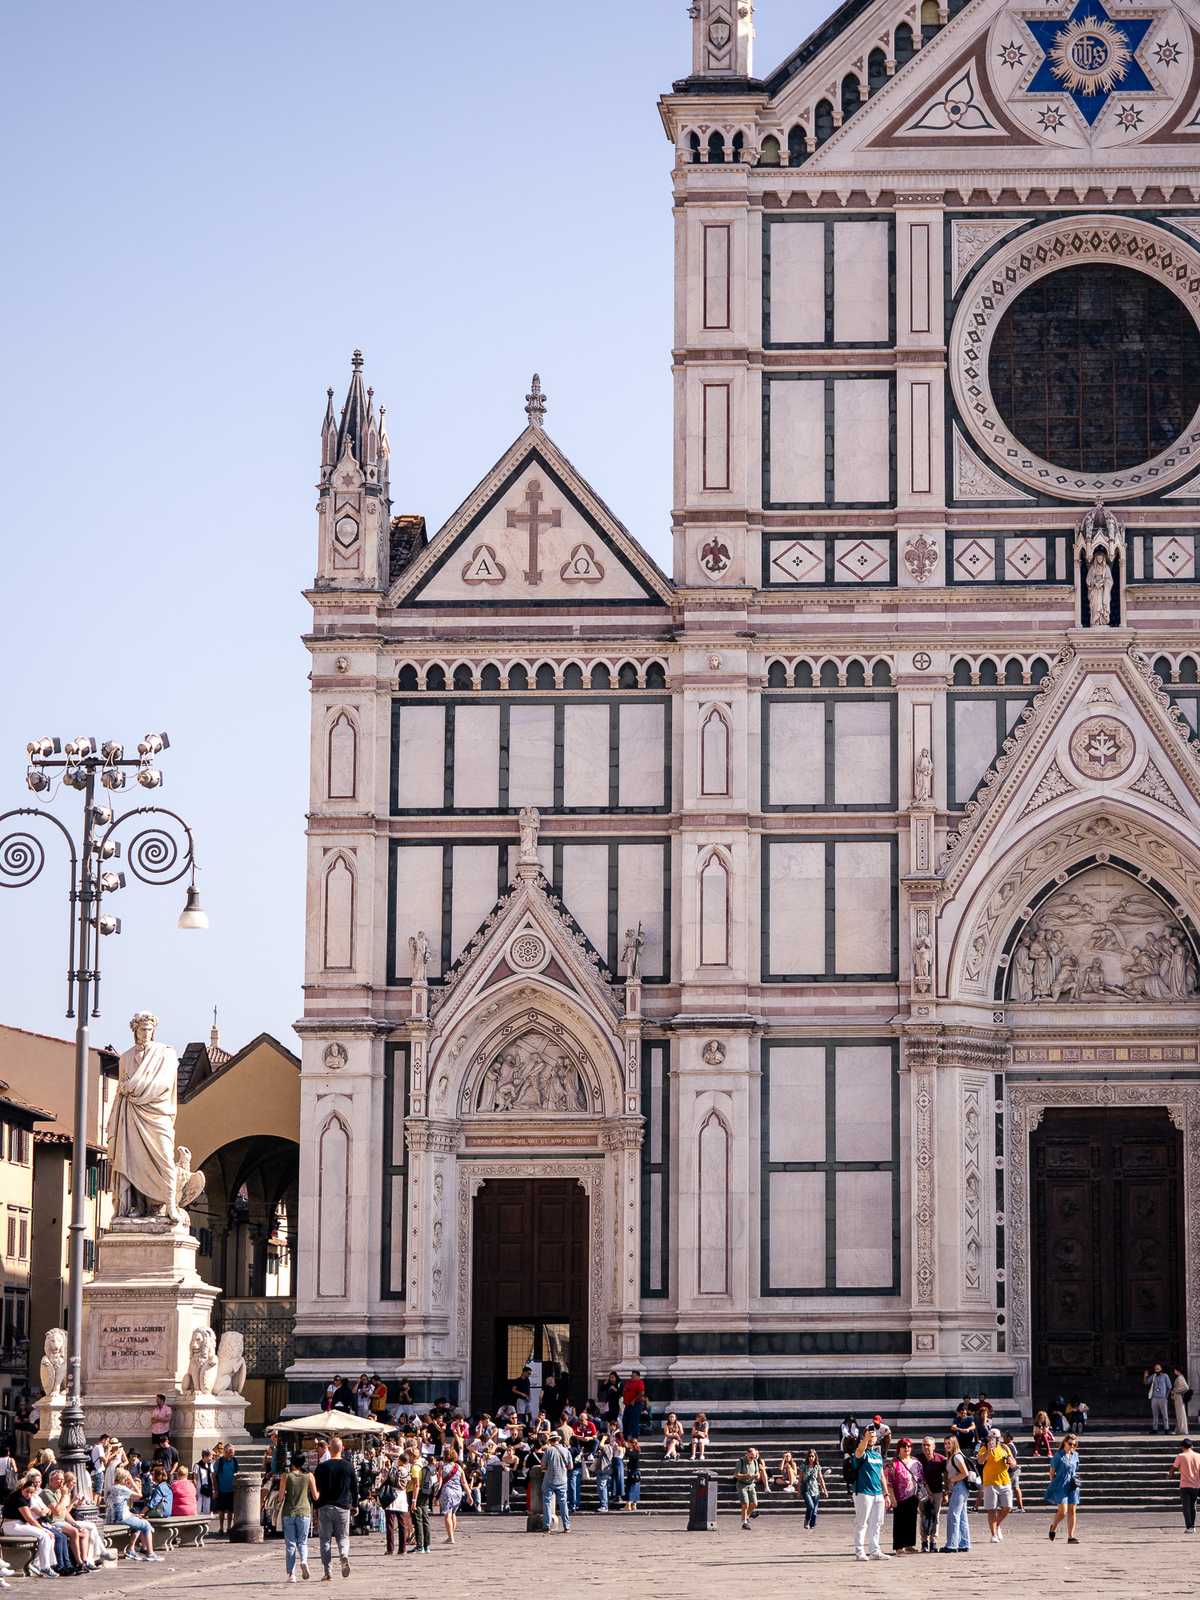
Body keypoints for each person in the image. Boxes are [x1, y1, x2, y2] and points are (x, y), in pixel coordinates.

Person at [313, 1435, 356, 1579]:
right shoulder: (348, 1466)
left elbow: (315, 1490)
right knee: (343, 1537)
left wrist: (315, 1508)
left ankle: (328, 1572)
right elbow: (354, 1488)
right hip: (343, 1506)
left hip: (325, 1507)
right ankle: (343, 1553)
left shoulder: (321, 1467)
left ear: (329, 1449)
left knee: (325, 1540)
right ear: (342, 1449)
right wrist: (354, 1504)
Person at [3, 1471, 57, 1576]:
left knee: (48, 1536)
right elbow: (30, 1519)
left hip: (19, 1525)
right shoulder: (19, 1498)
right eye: (27, 1491)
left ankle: (37, 1564)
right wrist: (45, 1530)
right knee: (44, 1535)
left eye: (31, 1492)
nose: (29, 1495)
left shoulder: (26, 1497)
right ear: (21, 1489)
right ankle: (45, 1567)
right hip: (11, 1525)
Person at [106, 1465, 164, 1562]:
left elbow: (120, 1507)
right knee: (146, 1525)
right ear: (123, 1478)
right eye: (126, 1479)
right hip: (121, 1518)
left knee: (138, 1522)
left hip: (112, 1517)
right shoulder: (121, 1488)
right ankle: (150, 1553)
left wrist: (133, 1515)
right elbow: (139, 1495)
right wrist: (133, 1482)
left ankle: (131, 1549)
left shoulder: (111, 1488)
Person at [851, 1425, 891, 1561]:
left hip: (877, 1493)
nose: (872, 1438)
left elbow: (881, 1476)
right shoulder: (861, 1452)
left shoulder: (877, 1455)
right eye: (870, 1436)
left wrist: (886, 1494)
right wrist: (865, 1439)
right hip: (863, 1492)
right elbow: (859, 1451)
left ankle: (875, 1550)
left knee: (876, 1523)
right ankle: (859, 1551)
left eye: (874, 1436)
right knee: (862, 1522)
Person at [280, 1452, 317, 1583]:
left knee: (290, 1544)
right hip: (304, 1512)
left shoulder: (286, 1476)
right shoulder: (309, 1476)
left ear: (292, 1462)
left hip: (289, 1512)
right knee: (303, 1541)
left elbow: (280, 1497)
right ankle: (304, 1561)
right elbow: (315, 1496)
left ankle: (291, 1575)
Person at [884, 1438, 922, 1555]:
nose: (907, 1449)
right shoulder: (894, 1463)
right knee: (899, 1522)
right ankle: (899, 1546)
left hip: (913, 1495)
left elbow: (921, 1478)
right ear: (899, 1449)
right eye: (904, 1446)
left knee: (911, 1521)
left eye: (909, 1446)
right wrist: (892, 1497)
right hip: (899, 1496)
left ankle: (909, 1545)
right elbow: (889, 1482)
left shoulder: (916, 1462)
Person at [978, 1428, 1015, 1542]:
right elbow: (980, 1461)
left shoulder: (1005, 1448)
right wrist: (989, 1451)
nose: (994, 1440)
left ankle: (997, 1525)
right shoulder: (984, 1448)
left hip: (1005, 1481)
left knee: (1008, 1507)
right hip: (990, 1482)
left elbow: (1013, 1463)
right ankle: (994, 1534)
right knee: (992, 1509)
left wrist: (1010, 1462)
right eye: (991, 1438)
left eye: (996, 1438)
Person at [1045, 1432, 1081, 1543]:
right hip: (1060, 1485)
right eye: (1070, 1444)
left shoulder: (1075, 1455)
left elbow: (1075, 1470)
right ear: (1065, 1443)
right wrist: (1053, 1484)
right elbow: (1051, 1473)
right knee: (1063, 1511)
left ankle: (1070, 1536)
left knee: (1072, 1511)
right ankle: (1053, 1526)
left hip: (1072, 1485)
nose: (1072, 1447)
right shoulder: (1058, 1456)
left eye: (1074, 1445)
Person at [942, 1430, 971, 1553]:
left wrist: (952, 1479)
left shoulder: (957, 1456)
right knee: (962, 1516)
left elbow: (965, 1473)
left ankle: (952, 1544)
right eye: (945, 1443)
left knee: (953, 1515)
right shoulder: (954, 1456)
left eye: (949, 1443)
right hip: (960, 1488)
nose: (947, 1446)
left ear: (954, 1444)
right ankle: (964, 1542)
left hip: (959, 1487)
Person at [917, 1437, 945, 1552]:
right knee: (923, 1516)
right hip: (923, 1493)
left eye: (928, 1445)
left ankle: (933, 1541)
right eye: (924, 1445)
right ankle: (924, 1542)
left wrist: (947, 1491)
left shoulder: (941, 1459)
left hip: (937, 1491)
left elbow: (947, 1476)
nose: (926, 1447)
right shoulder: (917, 1459)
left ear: (934, 1446)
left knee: (935, 1516)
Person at [540, 1432, 571, 1533]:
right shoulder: (566, 1451)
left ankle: (547, 1525)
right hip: (562, 1479)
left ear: (551, 1441)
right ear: (558, 1440)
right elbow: (570, 1466)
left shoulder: (548, 1450)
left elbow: (543, 1466)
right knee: (563, 1502)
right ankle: (567, 1526)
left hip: (549, 1479)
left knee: (547, 1502)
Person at [1171, 1435, 1200, 1533]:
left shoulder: (1181, 1456)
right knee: (1193, 1506)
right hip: (1196, 1485)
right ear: (1191, 1446)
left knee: (1186, 1507)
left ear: (1182, 1447)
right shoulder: (1198, 1456)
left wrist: (1170, 1475)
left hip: (1184, 1485)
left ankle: (1189, 1527)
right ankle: (1193, 1526)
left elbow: (1174, 1467)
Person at [214, 1442, 238, 1535]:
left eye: (233, 1452)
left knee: (230, 1510)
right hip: (221, 1489)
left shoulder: (234, 1461)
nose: (232, 1454)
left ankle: (228, 1527)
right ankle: (221, 1528)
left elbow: (236, 1473)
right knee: (221, 1510)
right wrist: (216, 1489)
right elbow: (214, 1475)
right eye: (230, 1452)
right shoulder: (219, 1462)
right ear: (225, 1452)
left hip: (231, 1489)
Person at [734, 1446, 760, 1531]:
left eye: (755, 1455)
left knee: (755, 1504)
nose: (753, 1457)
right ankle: (744, 1523)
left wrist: (757, 1476)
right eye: (751, 1455)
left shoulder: (755, 1461)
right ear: (747, 1454)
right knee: (745, 1504)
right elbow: (736, 1475)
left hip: (751, 1485)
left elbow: (757, 1473)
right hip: (742, 1485)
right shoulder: (741, 1461)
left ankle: (747, 1516)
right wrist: (746, 1475)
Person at [801, 1448, 827, 1529]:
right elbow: (800, 1479)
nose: (811, 1458)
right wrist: (798, 1490)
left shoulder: (817, 1467)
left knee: (815, 1512)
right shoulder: (804, 1466)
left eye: (812, 1456)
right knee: (811, 1506)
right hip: (806, 1489)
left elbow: (820, 1479)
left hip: (815, 1490)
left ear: (815, 1457)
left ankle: (812, 1524)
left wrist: (824, 1489)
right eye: (809, 1456)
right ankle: (806, 1521)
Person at [1146, 1364, 1172, 1432]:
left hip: (1162, 1398)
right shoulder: (1153, 1376)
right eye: (1155, 1369)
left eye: (1158, 1368)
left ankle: (1166, 1428)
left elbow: (1169, 1387)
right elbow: (1146, 1382)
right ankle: (1155, 1429)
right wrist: (1145, 1375)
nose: (1157, 1370)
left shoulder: (1165, 1376)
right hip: (1154, 1398)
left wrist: (1166, 1397)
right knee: (1155, 1414)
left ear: (1161, 1369)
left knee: (1165, 1414)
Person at [621, 1370, 646, 1440]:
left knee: (634, 1421)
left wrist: (634, 1400)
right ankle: (626, 1436)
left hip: (636, 1404)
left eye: (634, 1376)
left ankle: (634, 1437)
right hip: (627, 1404)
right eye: (631, 1375)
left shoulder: (639, 1382)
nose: (632, 1377)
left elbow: (641, 1393)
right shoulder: (628, 1382)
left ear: (638, 1376)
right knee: (625, 1420)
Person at [1172, 1369, 1193, 1435]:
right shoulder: (1180, 1377)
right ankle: (1179, 1429)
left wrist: (1176, 1391)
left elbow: (1186, 1387)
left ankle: (1181, 1430)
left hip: (1179, 1398)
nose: (1174, 1371)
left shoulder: (1180, 1378)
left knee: (1180, 1414)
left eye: (1175, 1370)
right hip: (1178, 1397)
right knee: (1180, 1414)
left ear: (1178, 1371)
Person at [624, 1438, 642, 1512]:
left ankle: (629, 1505)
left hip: (634, 1472)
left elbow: (628, 1454)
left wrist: (626, 1448)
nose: (628, 1444)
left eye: (629, 1443)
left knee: (630, 1488)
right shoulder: (636, 1451)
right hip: (635, 1472)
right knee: (635, 1488)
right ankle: (633, 1505)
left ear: (632, 1444)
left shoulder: (635, 1452)